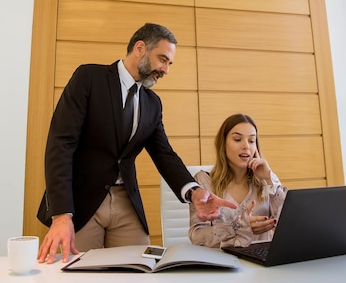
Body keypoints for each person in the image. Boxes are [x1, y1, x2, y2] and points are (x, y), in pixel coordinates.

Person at [37, 22, 236, 264]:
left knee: (142, 272)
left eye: (169, 63)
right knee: (79, 278)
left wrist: (193, 192)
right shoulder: (89, 78)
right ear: (140, 48)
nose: (165, 70)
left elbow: (165, 155)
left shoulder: (153, 103)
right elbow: (60, 144)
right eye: (162, 59)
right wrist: (61, 215)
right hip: (81, 202)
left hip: (125, 202)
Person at [189, 113, 287, 248]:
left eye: (252, 141)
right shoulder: (204, 182)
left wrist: (269, 179)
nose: (246, 146)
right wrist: (238, 226)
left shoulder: (267, 182)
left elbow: (288, 225)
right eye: (237, 139)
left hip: (262, 263)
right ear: (223, 144)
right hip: (221, 263)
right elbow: (197, 236)